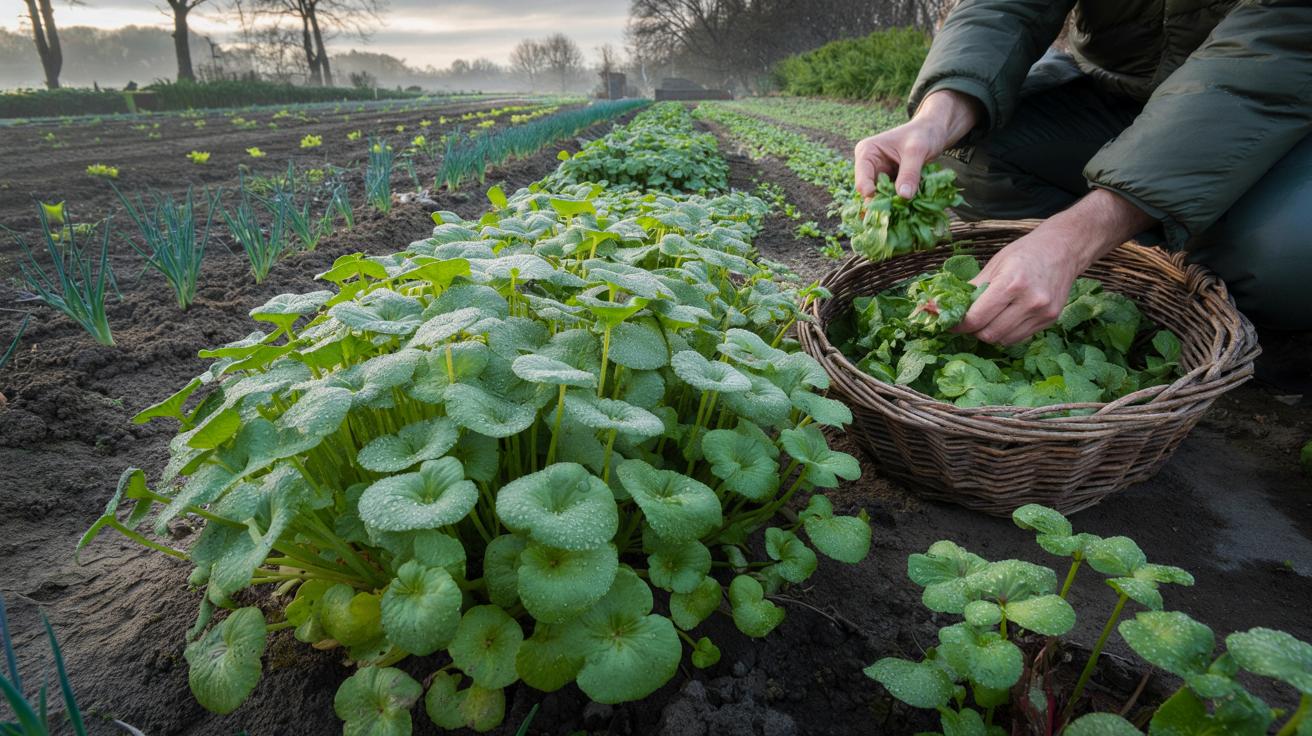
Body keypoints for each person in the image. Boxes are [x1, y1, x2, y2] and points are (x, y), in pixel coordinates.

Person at [853, 0, 1312, 346]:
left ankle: (1231, 326)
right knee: (965, 157)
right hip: (1121, 90)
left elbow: (1265, 60)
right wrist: (940, 114)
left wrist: (1072, 240)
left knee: (1279, 261)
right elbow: (1005, 7)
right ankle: (1113, 290)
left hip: (1273, 109)